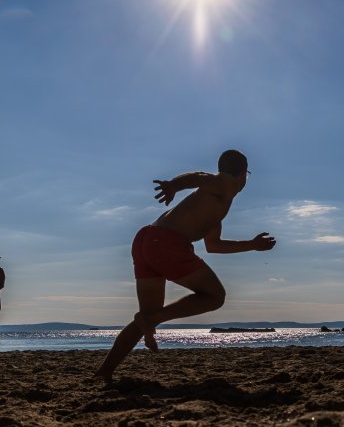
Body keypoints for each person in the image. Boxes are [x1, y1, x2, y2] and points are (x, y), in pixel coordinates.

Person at [94, 150, 276, 380]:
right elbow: (198, 177)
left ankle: (104, 371)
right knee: (214, 296)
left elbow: (214, 245)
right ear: (243, 173)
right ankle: (152, 320)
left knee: (146, 316)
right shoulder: (224, 183)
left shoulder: (217, 202)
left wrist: (251, 245)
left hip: (146, 240)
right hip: (166, 242)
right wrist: (173, 186)